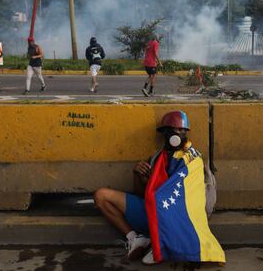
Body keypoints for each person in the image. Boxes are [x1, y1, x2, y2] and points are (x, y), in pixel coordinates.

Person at [94, 111, 224, 265]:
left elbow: (189, 198)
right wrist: (138, 175)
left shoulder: (191, 159)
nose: (181, 134)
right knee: (101, 196)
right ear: (166, 133)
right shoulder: (157, 159)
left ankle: (160, 245)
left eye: (183, 130)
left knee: (165, 210)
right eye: (176, 130)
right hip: (154, 210)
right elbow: (143, 195)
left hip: (180, 217)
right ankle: (136, 239)